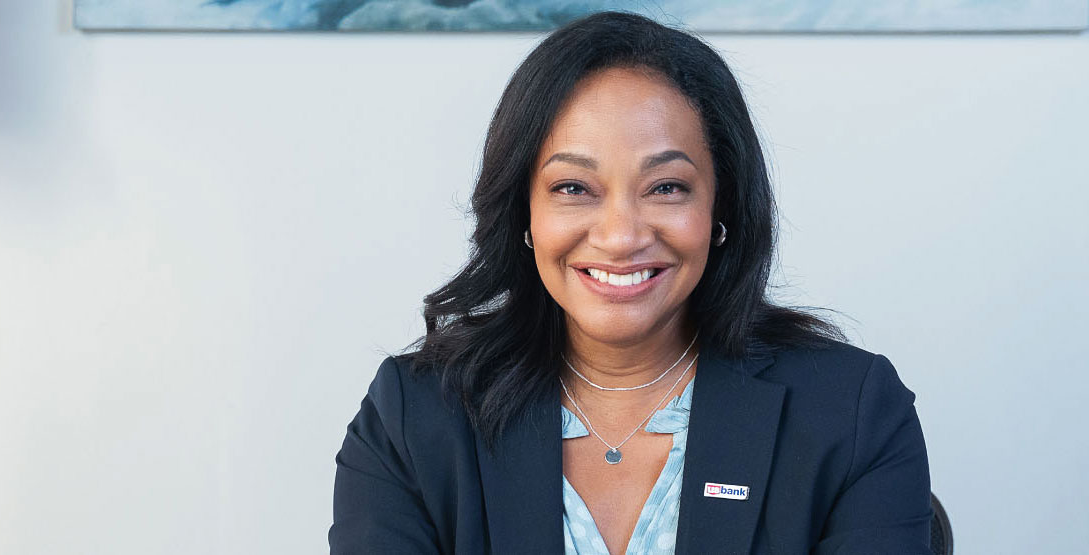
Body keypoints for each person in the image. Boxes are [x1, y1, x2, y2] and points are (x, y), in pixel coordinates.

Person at [327, 11, 933, 555]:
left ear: (720, 210)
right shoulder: (413, 418)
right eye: (573, 188)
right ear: (524, 214)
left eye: (666, 187)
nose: (620, 236)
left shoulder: (850, 413)